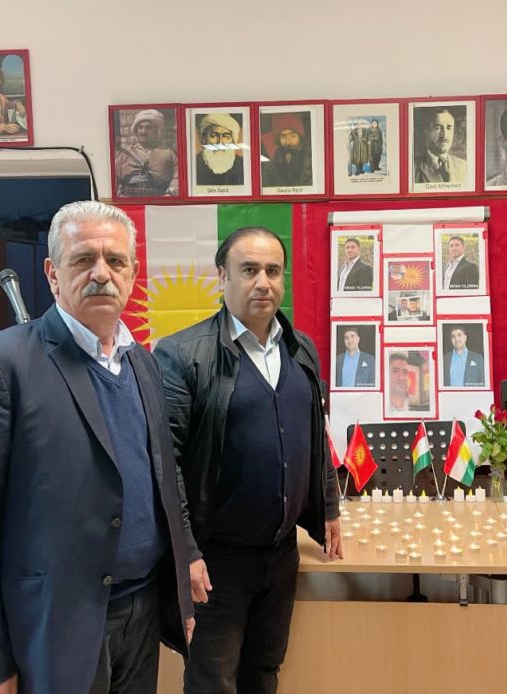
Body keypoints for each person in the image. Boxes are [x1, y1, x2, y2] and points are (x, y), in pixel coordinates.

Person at [0, 201, 195, 694]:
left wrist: (185, 565)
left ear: (133, 273)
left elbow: (162, 473)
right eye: (83, 259)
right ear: (53, 274)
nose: (101, 274)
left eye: (115, 261)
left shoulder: (143, 364)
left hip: (141, 614)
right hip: (55, 626)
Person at [153, 227, 343, 694]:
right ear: (222, 277)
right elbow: (165, 463)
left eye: (273, 271)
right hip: (215, 562)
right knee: (212, 682)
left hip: (280, 556)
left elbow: (315, 438)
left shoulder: (301, 350)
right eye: (249, 270)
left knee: (264, 671)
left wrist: (328, 506)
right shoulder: (182, 355)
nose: (263, 282)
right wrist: (186, 552)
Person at [115, 109, 178, 197]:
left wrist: (169, 195)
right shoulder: (123, 155)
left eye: (148, 128)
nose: (143, 131)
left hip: (160, 201)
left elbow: (178, 179)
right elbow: (113, 181)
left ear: (156, 131)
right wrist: (121, 197)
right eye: (140, 127)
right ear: (136, 130)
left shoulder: (168, 154)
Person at [413, 107, 468, 184]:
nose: (444, 135)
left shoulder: (464, 167)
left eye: (449, 128)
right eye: (437, 128)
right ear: (426, 131)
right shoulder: (413, 168)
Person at [261, 113, 313, 187]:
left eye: (293, 136)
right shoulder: (274, 161)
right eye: (283, 137)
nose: (288, 142)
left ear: (300, 137)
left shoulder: (311, 158)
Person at [196, 112, 245, 185]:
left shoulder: (242, 164)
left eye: (226, 137)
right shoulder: (195, 165)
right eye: (214, 136)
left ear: (233, 141)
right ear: (203, 139)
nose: (220, 142)